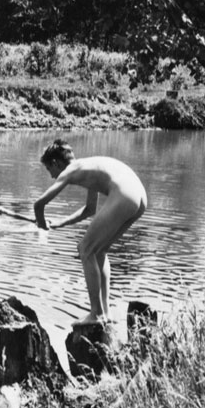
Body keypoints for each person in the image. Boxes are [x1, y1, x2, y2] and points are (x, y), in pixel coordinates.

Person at [34, 139, 147, 326]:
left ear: (55, 163)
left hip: (125, 193)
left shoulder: (70, 170)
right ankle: (105, 313)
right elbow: (89, 210)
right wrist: (58, 224)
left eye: (49, 170)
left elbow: (38, 204)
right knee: (99, 250)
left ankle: (95, 313)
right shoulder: (87, 166)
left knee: (85, 249)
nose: (52, 176)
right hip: (139, 195)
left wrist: (41, 224)